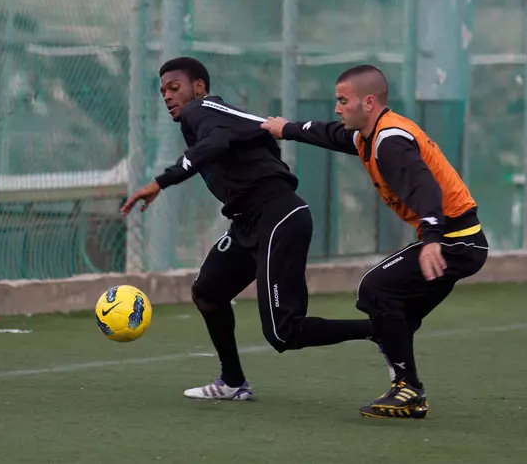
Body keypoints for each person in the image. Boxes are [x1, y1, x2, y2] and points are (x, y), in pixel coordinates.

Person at [121, 57, 373, 402]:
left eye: (174, 87)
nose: (166, 95)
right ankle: (233, 381)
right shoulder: (213, 118)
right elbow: (232, 141)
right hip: (247, 223)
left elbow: (215, 145)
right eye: (162, 91)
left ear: (199, 87)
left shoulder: (201, 110)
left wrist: (160, 181)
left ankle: (381, 329)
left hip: (277, 215)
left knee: (284, 333)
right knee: (208, 293)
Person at [261, 64, 489, 419]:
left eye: (343, 100)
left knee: (375, 288)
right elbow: (329, 134)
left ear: (368, 102)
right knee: (397, 315)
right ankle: (408, 389)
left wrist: (431, 239)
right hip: (457, 241)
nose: (337, 108)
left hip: (453, 241)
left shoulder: (391, 141)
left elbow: (423, 186)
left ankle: (408, 388)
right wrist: (286, 129)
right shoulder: (367, 134)